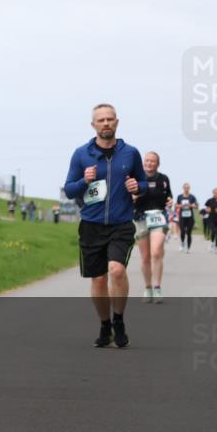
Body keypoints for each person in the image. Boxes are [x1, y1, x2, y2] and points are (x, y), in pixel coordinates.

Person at [63, 104, 147, 349]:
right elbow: (69, 189)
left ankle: (118, 320)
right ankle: (104, 324)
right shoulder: (81, 154)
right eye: (101, 120)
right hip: (91, 224)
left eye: (110, 119)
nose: (106, 123)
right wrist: (83, 180)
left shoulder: (130, 153)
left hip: (121, 223)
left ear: (117, 122)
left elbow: (142, 182)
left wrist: (137, 188)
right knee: (98, 279)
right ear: (93, 125)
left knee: (117, 270)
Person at [132, 152, 172, 304]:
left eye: (152, 161)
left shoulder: (163, 179)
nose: (149, 163)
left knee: (156, 253)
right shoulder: (135, 178)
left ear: (157, 164)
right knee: (146, 257)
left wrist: (170, 201)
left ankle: (157, 287)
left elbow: (168, 196)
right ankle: (148, 287)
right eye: (147, 161)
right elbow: (127, 197)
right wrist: (132, 197)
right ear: (143, 162)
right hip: (141, 218)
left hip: (158, 217)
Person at [176, 183, 198, 254]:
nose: (186, 189)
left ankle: (188, 248)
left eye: (187, 188)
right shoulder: (179, 196)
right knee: (182, 231)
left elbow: (196, 206)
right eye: (185, 188)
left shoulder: (192, 197)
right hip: (182, 216)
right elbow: (176, 206)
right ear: (183, 188)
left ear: (189, 188)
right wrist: (181, 205)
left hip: (190, 217)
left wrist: (191, 205)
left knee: (189, 233)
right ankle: (182, 243)